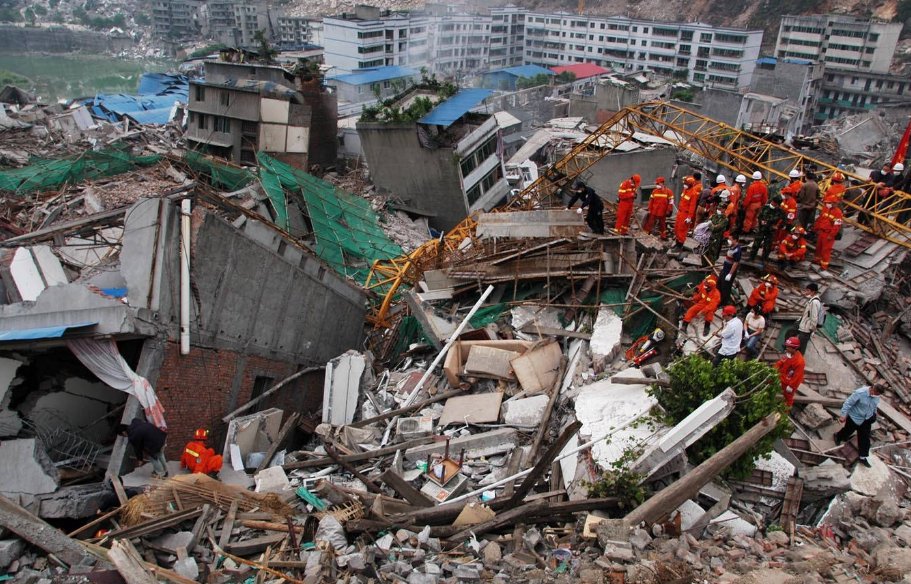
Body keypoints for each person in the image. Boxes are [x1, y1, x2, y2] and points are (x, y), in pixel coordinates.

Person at [834, 384, 883, 468]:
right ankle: (838, 436)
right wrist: (843, 415)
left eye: (878, 395)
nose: (877, 396)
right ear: (873, 390)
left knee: (865, 438)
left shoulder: (877, 396)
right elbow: (848, 403)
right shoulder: (860, 393)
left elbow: (874, 405)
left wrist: (874, 413)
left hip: (866, 420)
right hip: (854, 417)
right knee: (847, 431)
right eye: (876, 394)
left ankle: (862, 457)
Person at [748, 195, 783, 266]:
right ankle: (751, 257)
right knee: (756, 243)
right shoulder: (765, 207)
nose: (773, 203)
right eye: (773, 202)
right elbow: (759, 216)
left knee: (767, 246)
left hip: (770, 230)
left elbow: (780, 220)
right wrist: (761, 221)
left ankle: (764, 259)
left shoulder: (780, 211)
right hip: (762, 229)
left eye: (775, 203)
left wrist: (772, 224)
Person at [813, 195, 844, 270]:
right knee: (819, 247)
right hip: (822, 232)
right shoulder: (825, 209)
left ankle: (824, 265)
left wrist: (831, 235)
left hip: (828, 234)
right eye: (827, 203)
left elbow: (836, 226)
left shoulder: (838, 213)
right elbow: (820, 219)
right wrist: (816, 228)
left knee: (826, 250)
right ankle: (817, 260)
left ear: (834, 203)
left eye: (829, 203)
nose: (827, 204)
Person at [776, 336, 805, 407]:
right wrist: (774, 371)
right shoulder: (788, 354)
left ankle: (785, 412)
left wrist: (791, 386)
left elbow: (798, 376)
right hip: (781, 377)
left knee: (788, 398)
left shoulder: (800, 361)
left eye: (788, 347)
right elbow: (780, 363)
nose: (786, 348)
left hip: (789, 382)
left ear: (794, 349)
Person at [674, 175, 700, 248]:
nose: (684, 185)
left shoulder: (693, 193)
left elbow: (692, 206)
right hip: (680, 212)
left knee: (681, 230)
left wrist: (689, 217)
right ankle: (677, 243)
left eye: (686, 184)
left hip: (685, 214)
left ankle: (679, 246)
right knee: (676, 228)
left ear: (690, 184)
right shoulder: (685, 190)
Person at [796, 282, 821, 354]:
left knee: (801, 347)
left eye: (808, 290)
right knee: (800, 345)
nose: (806, 292)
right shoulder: (813, 300)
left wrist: (811, 328)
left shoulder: (814, 302)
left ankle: (798, 361)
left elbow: (814, 317)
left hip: (806, 329)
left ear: (813, 292)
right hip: (805, 327)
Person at [718, 234, 742, 305]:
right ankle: (718, 299)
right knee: (719, 284)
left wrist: (730, 274)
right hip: (724, 269)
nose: (729, 241)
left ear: (735, 240)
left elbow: (735, 263)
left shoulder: (737, 250)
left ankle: (723, 303)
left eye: (730, 239)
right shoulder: (731, 247)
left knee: (725, 287)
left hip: (729, 271)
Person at [705, 197, 729, 263]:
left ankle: (709, 269)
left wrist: (710, 224)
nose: (718, 210)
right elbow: (707, 222)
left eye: (720, 209)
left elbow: (714, 228)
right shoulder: (714, 215)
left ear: (724, 209)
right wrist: (709, 224)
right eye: (718, 208)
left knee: (713, 255)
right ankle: (704, 267)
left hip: (716, 240)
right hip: (709, 237)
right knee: (705, 253)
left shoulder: (725, 219)